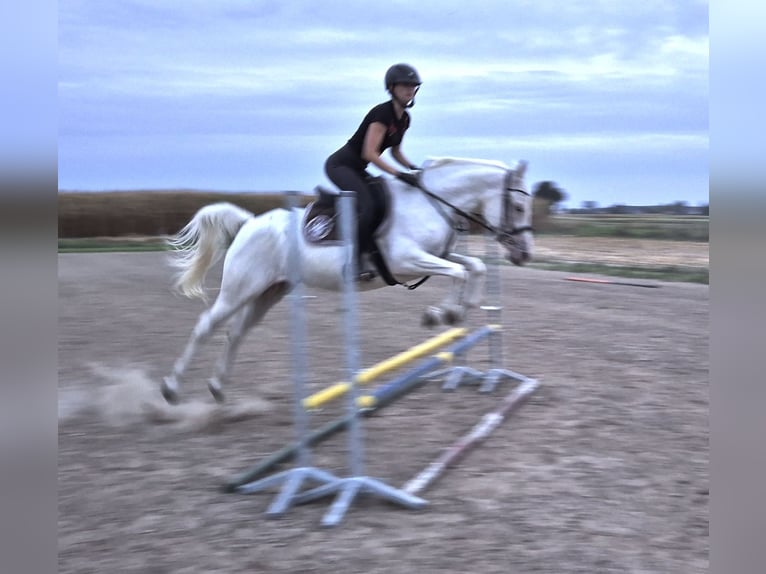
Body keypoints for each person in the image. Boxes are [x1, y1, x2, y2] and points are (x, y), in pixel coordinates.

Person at [324, 63, 423, 279]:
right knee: (368, 206)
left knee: (382, 203)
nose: (410, 90)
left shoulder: (405, 119)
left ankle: (370, 250)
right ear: (392, 88)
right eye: (405, 86)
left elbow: (396, 151)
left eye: (414, 86)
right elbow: (370, 152)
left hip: (358, 169)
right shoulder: (382, 113)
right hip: (340, 165)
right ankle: (353, 264)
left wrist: (414, 168)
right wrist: (398, 175)